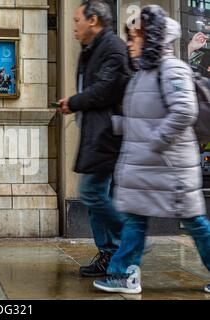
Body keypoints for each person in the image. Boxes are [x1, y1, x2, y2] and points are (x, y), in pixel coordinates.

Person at [94, 6, 210, 294]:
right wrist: (117, 125)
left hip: (171, 167)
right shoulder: (144, 73)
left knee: (194, 222)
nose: (130, 43)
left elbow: (184, 111)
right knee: (135, 218)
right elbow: (144, 116)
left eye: (135, 37)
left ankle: (123, 274)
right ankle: (123, 274)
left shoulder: (173, 69)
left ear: (152, 37)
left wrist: (156, 141)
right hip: (149, 166)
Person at [57, 0, 130, 277]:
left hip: (108, 136)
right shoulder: (93, 49)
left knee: (92, 192)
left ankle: (128, 243)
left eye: (77, 20)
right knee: (97, 195)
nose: (74, 26)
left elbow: (106, 89)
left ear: (93, 21)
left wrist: (74, 102)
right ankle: (111, 253)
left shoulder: (113, 48)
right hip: (96, 133)